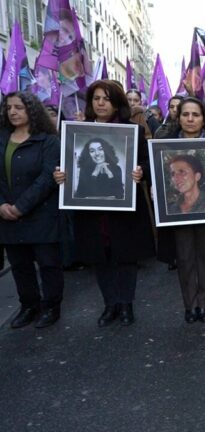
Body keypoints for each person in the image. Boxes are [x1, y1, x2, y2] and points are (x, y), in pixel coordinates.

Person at [53, 80, 155, 327]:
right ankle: (110, 304)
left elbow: (147, 164)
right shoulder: (78, 131)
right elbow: (68, 165)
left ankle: (126, 304)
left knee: (125, 257)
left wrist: (141, 172)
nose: (100, 103)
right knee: (100, 256)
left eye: (106, 99)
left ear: (116, 103)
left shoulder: (133, 131)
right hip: (91, 210)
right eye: (96, 98)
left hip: (125, 209)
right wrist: (61, 176)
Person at [155, 97, 205, 324]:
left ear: (204, 118)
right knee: (184, 258)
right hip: (178, 214)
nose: (190, 119)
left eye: (196, 115)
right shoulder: (166, 143)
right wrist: (155, 185)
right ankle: (189, 306)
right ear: (178, 117)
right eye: (185, 114)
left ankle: (204, 304)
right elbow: (159, 174)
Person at [0, 91, 63, 329]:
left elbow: (48, 177)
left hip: (41, 214)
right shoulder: (2, 138)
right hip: (7, 215)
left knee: (48, 264)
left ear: (31, 110)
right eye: (9, 108)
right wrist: (2, 206)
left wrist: (20, 206)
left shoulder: (47, 140)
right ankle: (28, 306)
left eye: (19, 107)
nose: (13, 112)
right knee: (20, 265)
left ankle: (51, 307)